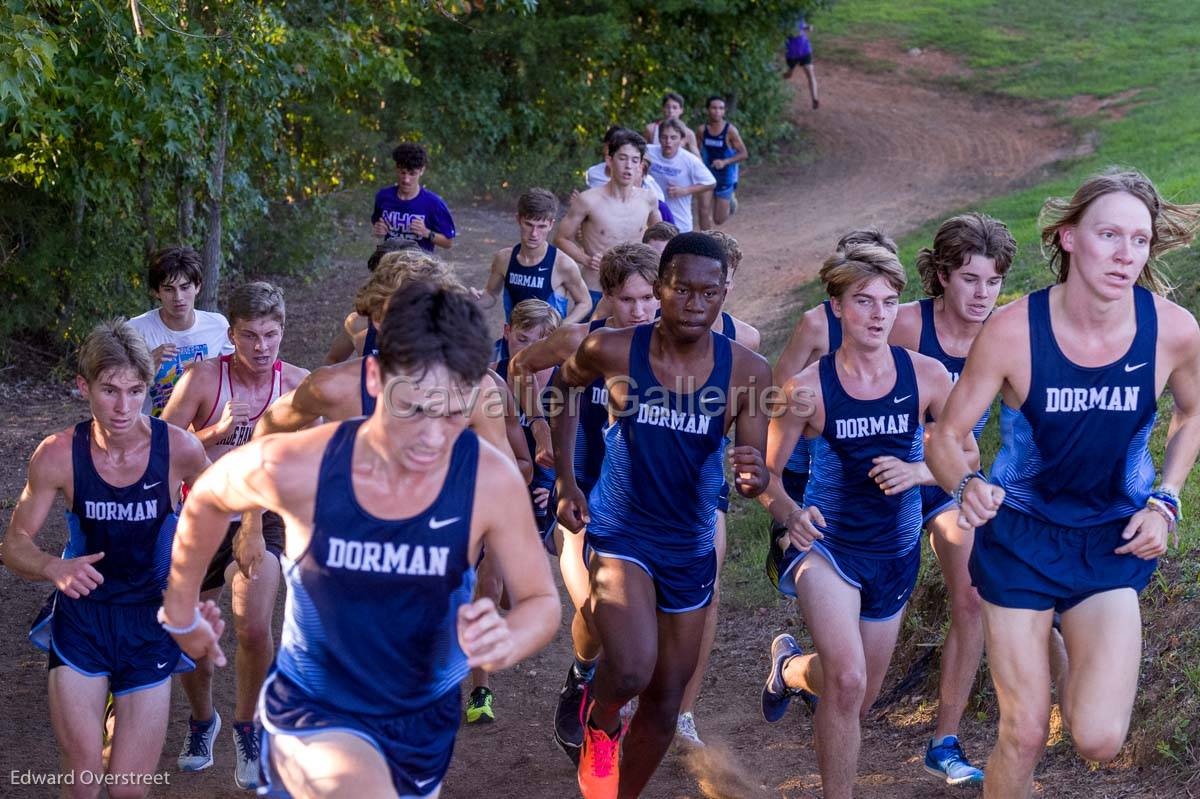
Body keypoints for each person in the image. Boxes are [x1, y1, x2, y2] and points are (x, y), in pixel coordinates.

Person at [160, 282, 561, 798]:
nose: (431, 432)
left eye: (452, 407)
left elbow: (539, 600)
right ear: (374, 377)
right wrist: (181, 609)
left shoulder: (487, 477)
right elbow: (212, 494)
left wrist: (510, 637)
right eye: (411, 404)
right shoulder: (307, 464)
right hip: (313, 717)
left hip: (418, 728)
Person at [926, 169, 1200, 799]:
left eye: (1139, 240)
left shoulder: (1173, 330)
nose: (1125, 254)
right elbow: (945, 435)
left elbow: (1191, 412)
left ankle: (1047, 635)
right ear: (1071, 237)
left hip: (1111, 544)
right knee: (1023, 734)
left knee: (1098, 738)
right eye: (1109, 235)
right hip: (1020, 542)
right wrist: (964, 483)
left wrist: (1166, 499)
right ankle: (1029, 630)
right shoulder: (1014, 330)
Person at [553, 232, 771, 797]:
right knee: (629, 669)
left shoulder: (748, 370)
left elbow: (751, 467)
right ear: (660, 289)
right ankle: (599, 726)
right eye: (681, 290)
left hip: (690, 540)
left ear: (724, 294)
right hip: (623, 527)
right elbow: (563, 387)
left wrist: (754, 474)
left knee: (666, 700)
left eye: (709, 293)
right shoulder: (614, 349)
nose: (695, 304)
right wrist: (566, 479)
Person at [758, 244, 977, 799]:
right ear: (836, 308)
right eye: (863, 301)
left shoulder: (926, 375)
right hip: (828, 548)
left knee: (857, 690)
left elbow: (968, 456)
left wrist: (921, 472)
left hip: (896, 552)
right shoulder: (807, 388)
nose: (879, 314)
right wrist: (789, 513)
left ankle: (787, 668)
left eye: (889, 301)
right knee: (849, 680)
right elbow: (767, 475)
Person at [2, 320, 209, 799]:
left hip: (150, 623)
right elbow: (13, 545)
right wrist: (53, 567)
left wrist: (234, 542)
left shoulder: (178, 448)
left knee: (129, 789)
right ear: (84, 386)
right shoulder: (57, 455)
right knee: (81, 782)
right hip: (83, 623)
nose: (122, 406)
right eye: (109, 390)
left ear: (148, 387)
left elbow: (227, 498)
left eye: (135, 391)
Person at [508, 243, 660, 764]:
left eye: (648, 299)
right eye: (627, 299)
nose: (639, 311)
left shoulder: (673, 349)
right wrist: (538, 427)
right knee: (595, 608)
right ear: (607, 296)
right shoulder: (579, 339)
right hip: (581, 491)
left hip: (646, 501)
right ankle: (581, 677)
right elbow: (519, 366)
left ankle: (617, 704)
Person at [160, 281, 308, 788]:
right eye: (249, 336)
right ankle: (203, 720)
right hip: (200, 511)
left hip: (261, 514)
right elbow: (160, 446)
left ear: (283, 330)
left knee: (251, 626)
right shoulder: (203, 379)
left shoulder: (297, 385)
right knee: (188, 630)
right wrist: (215, 433)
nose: (261, 347)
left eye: (270, 334)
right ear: (231, 334)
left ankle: (248, 727)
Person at [886, 213, 1016, 785]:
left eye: (992, 281)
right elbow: (845, 391)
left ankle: (944, 739)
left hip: (948, 480)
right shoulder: (907, 327)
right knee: (873, 603)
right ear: (941, 276)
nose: (982, 294)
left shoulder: (1004, 336)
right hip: (876, 476)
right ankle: (795, 670)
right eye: (969, 279)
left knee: (972, 594)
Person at [767, 228, 899, 584]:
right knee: (808, 534)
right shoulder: (815, 322)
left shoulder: (885, 321)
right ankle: (787, 548)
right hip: (806, 436)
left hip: (856, 438)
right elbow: (780, 384)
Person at [556, 129, 662, 313]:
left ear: (640, 166)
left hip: (636, 290)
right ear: (609, 160)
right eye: (622, 158)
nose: (628, 166)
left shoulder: (649, 199)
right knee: (589, 341)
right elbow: (561, 238)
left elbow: (661, 237)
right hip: (596, 288)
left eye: (635, 160)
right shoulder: (588, 200)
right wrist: (586, 259)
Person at [127, 246, 234, 417]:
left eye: (185, 287)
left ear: (198, 286)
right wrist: (148, 365)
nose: (178, 298)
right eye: (169, 289)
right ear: (156, 292)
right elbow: (117, 389)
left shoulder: (218, 326)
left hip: (203, 432)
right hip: (151, 429)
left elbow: (235, 379)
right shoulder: (135, 330)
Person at [478, 188, 592, 323]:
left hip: (548, 343)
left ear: (551, 224)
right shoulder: (504, 259)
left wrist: (562, 328)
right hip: (513, 341)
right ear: (519, 219)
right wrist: (474, 299)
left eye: (541, 226)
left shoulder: (562, 264)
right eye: (529, 224)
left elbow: (585, 303)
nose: (534, 234)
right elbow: (490, 295)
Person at [371, 142, 456, 253]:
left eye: (412, 174)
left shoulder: (434, 203)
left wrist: (426, 232)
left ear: (421, 171)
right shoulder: (383, 197)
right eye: (403, 172)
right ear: (396, 168)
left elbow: (448, 243)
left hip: (419, 265)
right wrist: (378, 230)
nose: (406, 179)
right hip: (390, 263)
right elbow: (377, 226)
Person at [646, 118, 716, 234]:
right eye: (664, 137)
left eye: (673, 137)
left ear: (682, 140)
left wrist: (685, 190)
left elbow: (711, 182)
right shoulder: (648, 151)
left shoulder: (689, 160)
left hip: (680, 222)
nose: (668, 141)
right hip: (654, 219)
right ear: (659, 138)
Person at [697, 96, 748, 229]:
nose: (717, 111)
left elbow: (743, 153)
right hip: (706, 175)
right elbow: (695, 152)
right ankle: (706, 243)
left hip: (725, 177)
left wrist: (725, 162)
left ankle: (730, 200)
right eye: (714, 108)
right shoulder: (702, 130)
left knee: (718, 219)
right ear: (708, 110)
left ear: (724, 111)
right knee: (703, 210)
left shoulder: (730, 130)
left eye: (720, 108)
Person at [784, 15, 820, 109]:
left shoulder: (799, 12)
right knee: (788, 75)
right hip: (792, 52)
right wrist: (794, 33)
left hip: (804, 48)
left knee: (810, 72)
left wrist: (807, 27)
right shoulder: (783, 15)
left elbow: (802, 25)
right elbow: (783, 32)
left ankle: (815, 99)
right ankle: (774, 79)